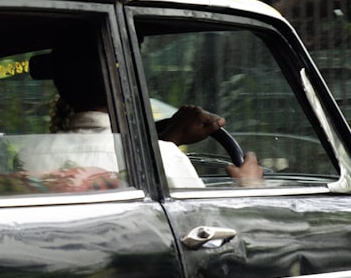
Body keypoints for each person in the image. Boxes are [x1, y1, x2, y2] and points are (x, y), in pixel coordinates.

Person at [44, 31, 264, 188]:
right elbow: (203, 230)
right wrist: (250, 186)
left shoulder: (30, 157)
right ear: (124, 83)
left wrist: (166, 141)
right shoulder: (165, 159)